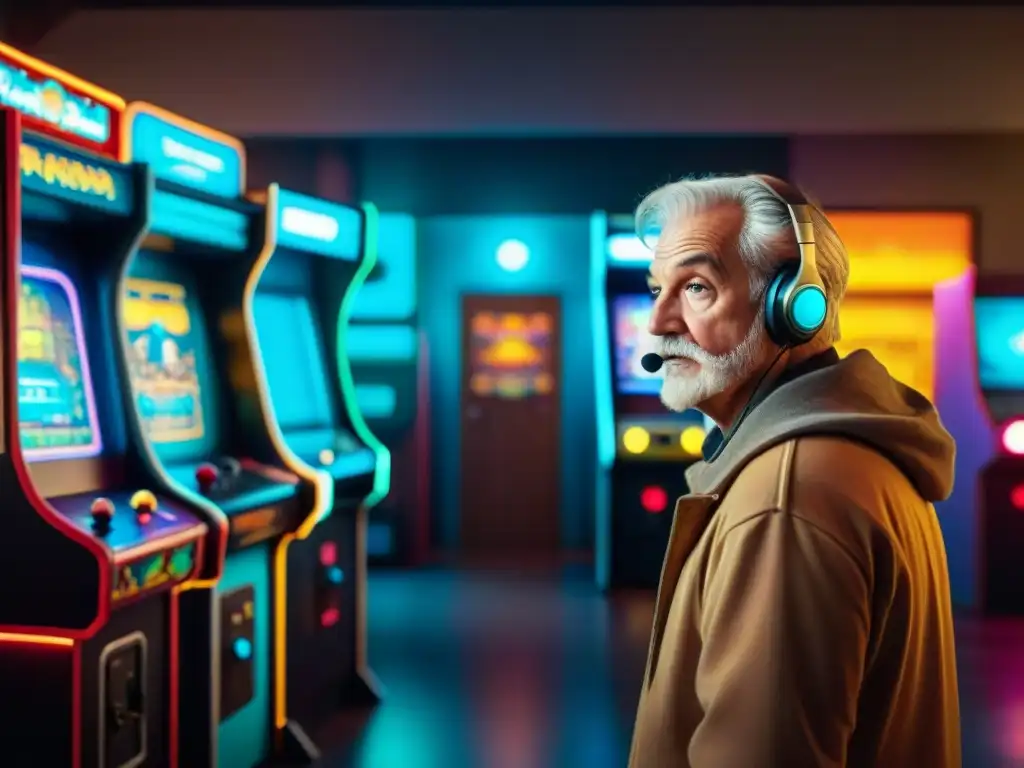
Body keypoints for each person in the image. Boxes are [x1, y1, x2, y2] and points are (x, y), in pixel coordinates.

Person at [627, 174, 961, 768]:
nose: (657, 322)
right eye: (658, 288)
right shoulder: (841, 456)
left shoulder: (785, 500)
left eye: (697, 287)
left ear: (794, 305)